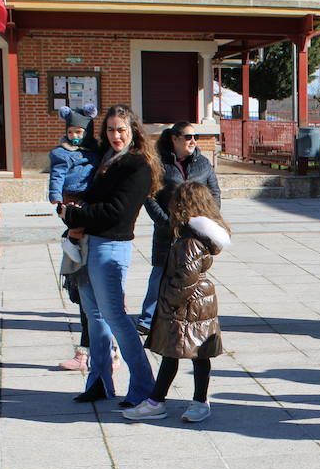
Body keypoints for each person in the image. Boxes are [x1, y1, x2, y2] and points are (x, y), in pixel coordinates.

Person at [58, 104, 159, 406]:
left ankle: (143, 386)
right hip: (89, 243)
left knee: (115, 317)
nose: (116, 135)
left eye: (122, 129)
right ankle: (100, 382)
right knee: (94, 317)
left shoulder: (137, 164)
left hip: (111, 246)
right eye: (112, 129)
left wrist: (76, 216)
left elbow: (118, 211)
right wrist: (70, 208)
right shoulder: (105, 158)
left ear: (133, 131)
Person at [123, 181, 231, 424]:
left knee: (186, 354)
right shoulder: (196, 235)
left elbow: (185, 278)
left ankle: (176, 402)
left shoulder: (190, 241)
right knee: (189, 354)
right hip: (197, 304)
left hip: (187, 306)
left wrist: (169, 302)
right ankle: (169, 401)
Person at [138, 121, 222, 333]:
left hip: (195, 232)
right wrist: (165, 220)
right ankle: (148, 319)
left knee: (192, 273)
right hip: (167, 230)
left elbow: (214, 193)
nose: (193, 141)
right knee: (160, 272)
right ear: (175, 139)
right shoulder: (159, 164)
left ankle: (184, 315)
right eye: (188, 137)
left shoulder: (203, 163)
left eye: (196, 137)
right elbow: (149, 195)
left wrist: (209, 220)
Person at [49, 105, 101, 373]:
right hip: (76, 217)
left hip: (93, 227)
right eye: (71, 131)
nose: (75, 136)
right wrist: (59, 202)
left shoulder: (98, 155)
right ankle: (94, 351)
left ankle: (101, 352)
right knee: (84, 294)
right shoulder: (62, 154)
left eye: (80, 131)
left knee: (92, 298)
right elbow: (56, 179)